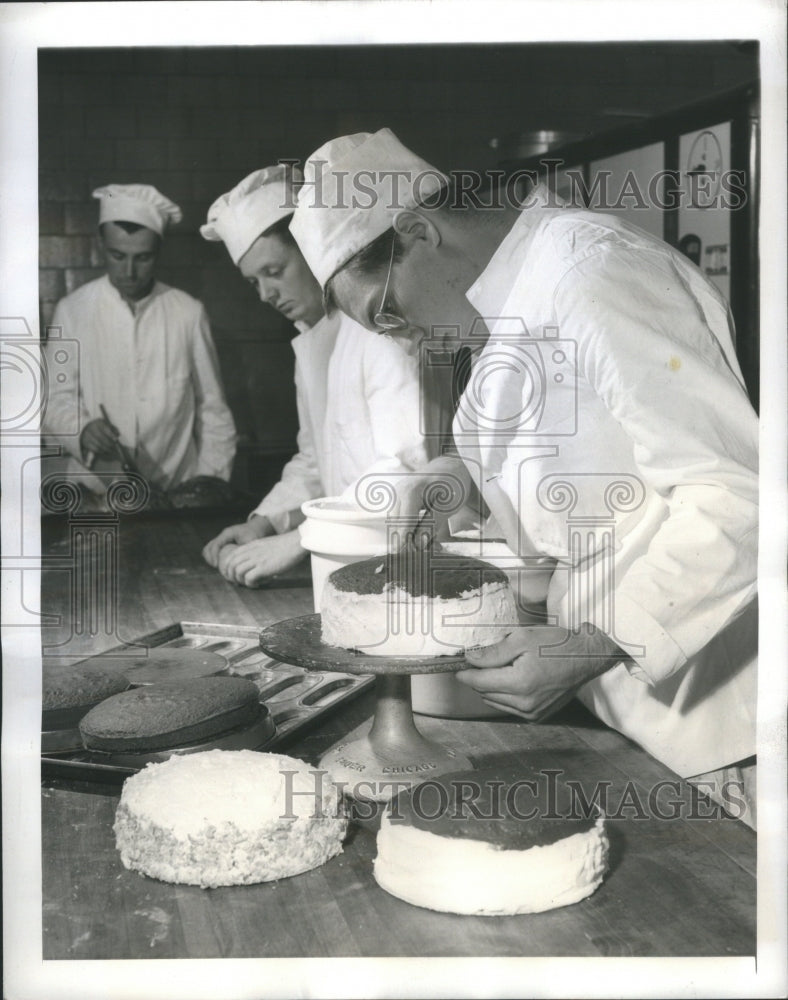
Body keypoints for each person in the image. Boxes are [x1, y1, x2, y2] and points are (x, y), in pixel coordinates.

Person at [289, 128, 759, 824]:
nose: (399, 336)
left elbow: (741, 493)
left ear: (418, 231)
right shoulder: (501, 305)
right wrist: (459, 481)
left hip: (719, 731)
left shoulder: (592, 271)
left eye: (386, 313)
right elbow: (580, 458)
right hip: (628, 714)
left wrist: (595, 642)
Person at [199, 165, 430, 586]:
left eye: (274, 272)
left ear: (310, 250)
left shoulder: (379, 330)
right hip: (352, 561)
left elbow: (405, 465)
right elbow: (314, 460)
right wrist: (266, 522)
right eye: (254, 282)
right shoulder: (311, 338)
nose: (265, 295)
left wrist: (301, 539)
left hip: (408, 558)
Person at [42, 183, 237, 495]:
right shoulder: (73, 310)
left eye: (143, 258)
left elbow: (213, 413)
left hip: (177, 489)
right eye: (118, 256)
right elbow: (54, 398)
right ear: (101, 246)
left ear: (158, 252)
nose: (129, 271)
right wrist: (82, 428)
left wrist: (206, 484)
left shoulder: (188, 312)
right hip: (98, 490)